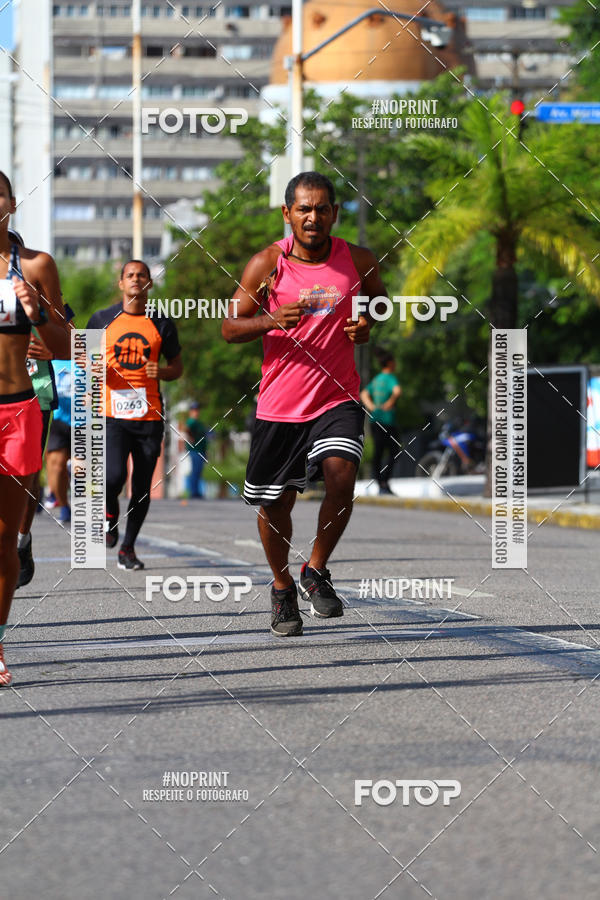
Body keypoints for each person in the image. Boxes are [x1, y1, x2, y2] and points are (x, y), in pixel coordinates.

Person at [222, 171, 386, 637]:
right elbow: (230, 328)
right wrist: (271, 320)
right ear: (288, 213)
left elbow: (379, 303)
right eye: (304, 209)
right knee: (276, 507)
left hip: (337, 395)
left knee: (342, 476)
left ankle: (315, 569)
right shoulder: (267, 264)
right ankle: (281, 587)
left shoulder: (358, 259)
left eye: (321, 209)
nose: (313, 217)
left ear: (335, 213)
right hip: (281, 405)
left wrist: (367, 326)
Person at [0, 171, 71, 685]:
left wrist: (39, 313)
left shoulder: (34, 265)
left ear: (11, 203)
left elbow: (67, 345)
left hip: (18, 410)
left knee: (3, 538)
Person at [86, 260, 183, 570]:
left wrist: (163, 371)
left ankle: (127, 549)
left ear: (149, 284)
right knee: (113, 477)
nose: (136, 279)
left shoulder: (162, 323)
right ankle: (110, 516)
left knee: (141, 488)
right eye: (130, 275)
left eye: (142, 275)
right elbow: (81, 360)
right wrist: (94, 370)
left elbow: (177, 367)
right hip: (111, 413)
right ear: (121, 283)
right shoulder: (101, 319)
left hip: (149, 415)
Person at [8, 229, 74, 588]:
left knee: (27, 470)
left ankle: (22, 538)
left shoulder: (40, 290)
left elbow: (74, 340)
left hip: (38, 388)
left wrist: (48, 347)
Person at [360, 348, 402, 494]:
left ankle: (380, 483)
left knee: (378, 452)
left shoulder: (377, 379)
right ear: (390, 363)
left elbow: (364, 393)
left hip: (375, 420)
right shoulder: (390, 377)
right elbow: (397, 391)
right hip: (387, 420)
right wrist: (390, 403)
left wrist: (372, 406)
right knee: (394, 451)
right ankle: (384, 481)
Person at [45, 359, 73, 522]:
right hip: (58, 419)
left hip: (84, 420)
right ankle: (64, 505)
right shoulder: (50, 359)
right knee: (57, 466)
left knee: (80, 467)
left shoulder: (88, 354)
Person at [184, 401, 207, 498]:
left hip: (201, 450)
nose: (196, 412)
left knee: (198, 471)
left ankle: (196, 491)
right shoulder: (191, 421)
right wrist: (191, 437)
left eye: (197, 410)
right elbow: (186, 428)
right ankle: (194, 492)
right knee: (195, 470)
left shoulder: (198, 422)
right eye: (194, 410)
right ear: (190, 411)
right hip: (195, 450)